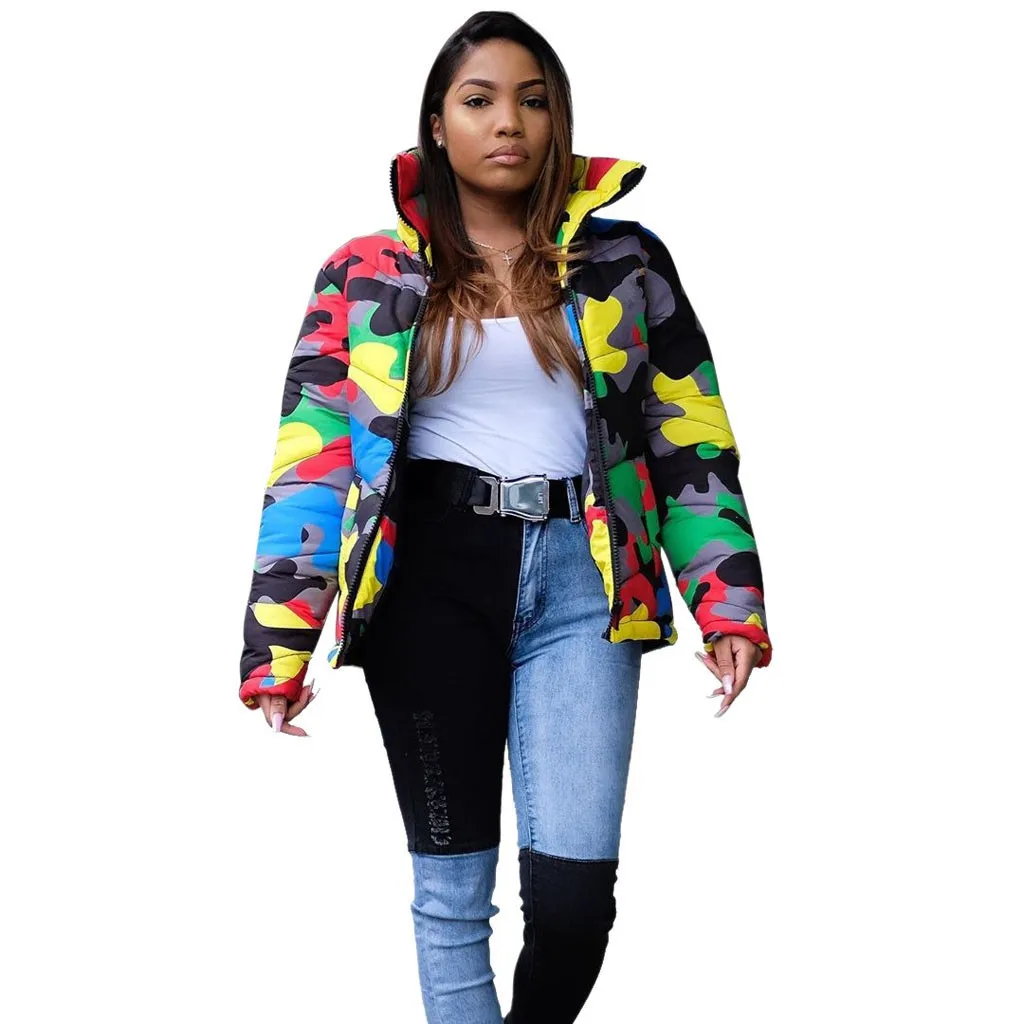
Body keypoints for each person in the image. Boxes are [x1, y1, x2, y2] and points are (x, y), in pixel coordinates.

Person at [238, 11, 773, 1023]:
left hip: (586, 583)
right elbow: (308, 467)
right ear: (436, 125)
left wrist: (728, 604)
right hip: (427, 581)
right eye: (478, 100)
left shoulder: (625, 262)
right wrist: (279, 644)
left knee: (573, 906)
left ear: (558, 119)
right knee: (452, 898)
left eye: (533, 100)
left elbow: (690, 440)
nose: (508, 122)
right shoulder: (363, 273)